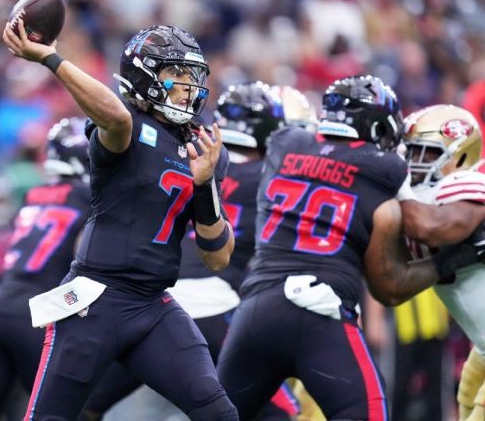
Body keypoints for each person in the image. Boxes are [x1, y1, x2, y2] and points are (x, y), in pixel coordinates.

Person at [3, 21, 238, 420]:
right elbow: (115, 115)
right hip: (95, 301)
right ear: (146, 76)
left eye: (192, 75)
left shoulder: (203, 148)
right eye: (176, 74)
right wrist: (50, 58)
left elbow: (218, 257)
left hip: (154, 306)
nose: (189, 86)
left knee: (219, 414)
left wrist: (204, 187)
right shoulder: (124, 125)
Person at [216, 75, 482, 420]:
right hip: (321, 311)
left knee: (219, 414)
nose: (409, 157)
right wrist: (451, 259)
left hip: (256, 307)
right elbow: (393, 281)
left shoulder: (286, 143)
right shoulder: (384, 170)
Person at [81, 81, 298, 420]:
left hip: (156, 303)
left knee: (87, 406)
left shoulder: (183, 155)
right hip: (218, 306)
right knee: (280, 412)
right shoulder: (271, 175)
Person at [0, 117, 92, 421]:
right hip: (37, 313)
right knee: (68, 413)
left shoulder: (33, 195)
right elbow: (83, 260)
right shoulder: (88, 199)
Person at [397, 104, 485, 421]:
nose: (411, 162)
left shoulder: (464, 186)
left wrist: (397, 187)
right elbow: (391, 286)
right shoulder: (420, 202)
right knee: (466, 398)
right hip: (482, 346)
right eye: (408, 151)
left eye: (425, 153)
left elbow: (430, 227)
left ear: (460, 157)